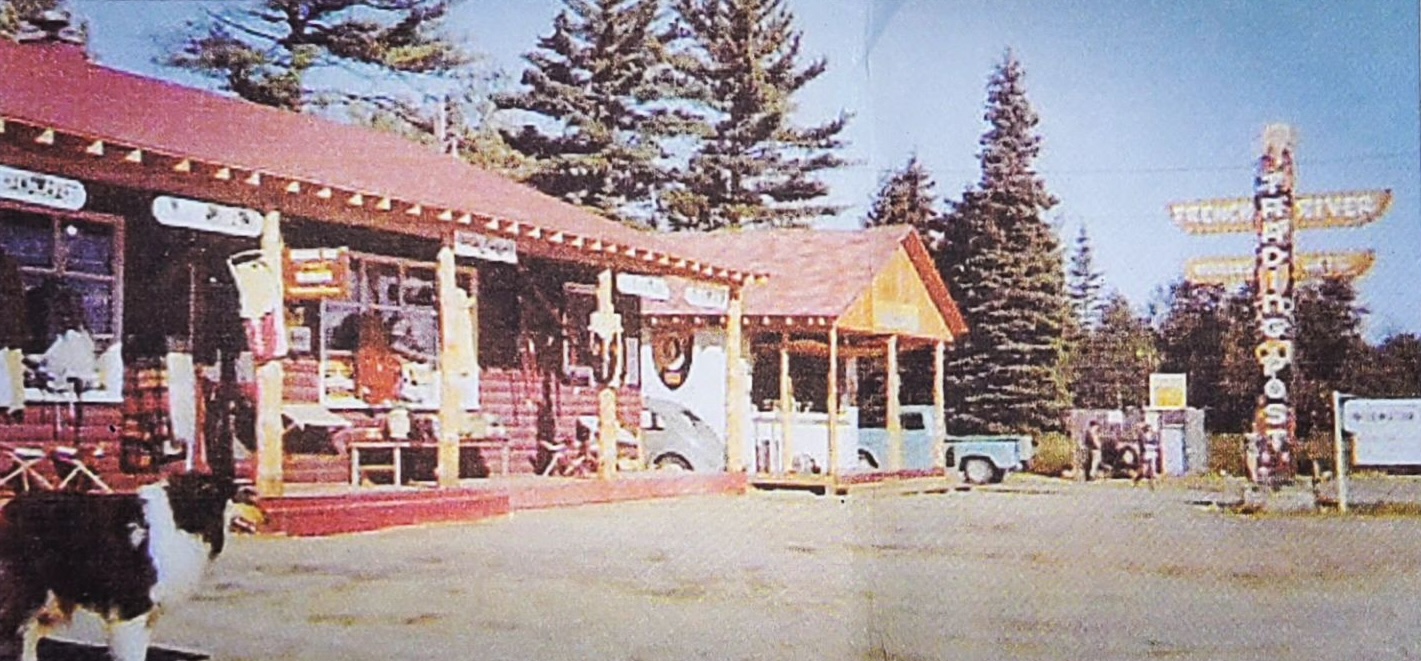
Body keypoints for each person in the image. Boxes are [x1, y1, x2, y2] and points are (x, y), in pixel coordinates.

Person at [1134, 422, 1160, 488]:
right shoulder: (1142, 436)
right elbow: (1143, 446)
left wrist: (1154, 447)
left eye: (1150, 429)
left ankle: (1152, 485)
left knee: (1153, 470)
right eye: (1147, 429)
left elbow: (1156, 445)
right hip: (1146, 454)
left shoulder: (1154, 436)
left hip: (1152, 453)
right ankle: (1136, 480)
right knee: (1144, 471)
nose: (1149, 430)